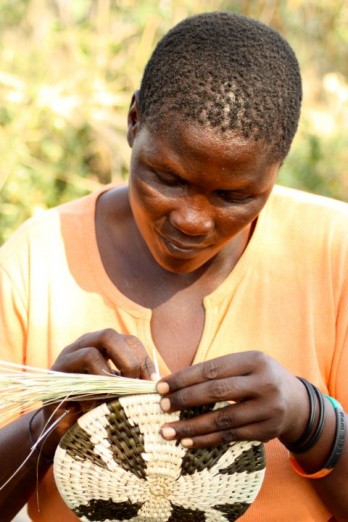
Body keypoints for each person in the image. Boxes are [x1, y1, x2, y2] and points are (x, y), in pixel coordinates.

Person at [0, 11, 347, 522]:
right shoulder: (38, 258)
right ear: (134, 120)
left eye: (234, 195)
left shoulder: (333, 251)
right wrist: (47, 424)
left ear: (277, 166)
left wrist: (310, 419)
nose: (190, 220)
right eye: (167, 177)